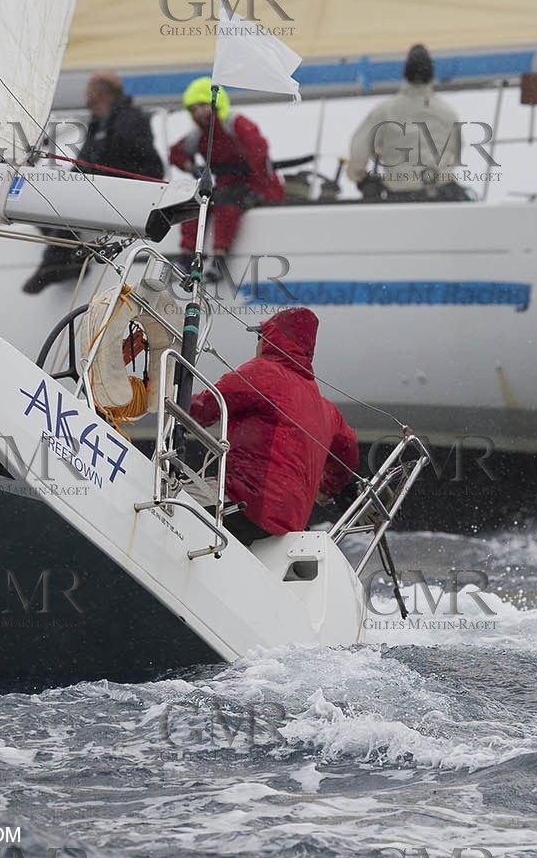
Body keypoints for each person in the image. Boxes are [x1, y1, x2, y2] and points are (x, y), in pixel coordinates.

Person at [188, 307, 359, 545]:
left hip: (245, 503)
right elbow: (348, 455)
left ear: (269, 339)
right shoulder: (328, 410)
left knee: (166, 497)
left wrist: (162, 390)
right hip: (288, 522)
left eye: (259, 336)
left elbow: (203, 409)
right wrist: (327, 488)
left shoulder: (262, 373)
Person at [23, 71, 165, 294]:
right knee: (43, 197)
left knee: (69, 200)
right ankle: (62, 255)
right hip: (100, 187)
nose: (86, 96)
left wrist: (101, 180)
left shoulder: (129, 120)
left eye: (88, 91)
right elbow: (85, 162)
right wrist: (63, 183)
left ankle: (58, 262)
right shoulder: (100, 122)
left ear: (98, 93)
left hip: (125, 191)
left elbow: (143, 162)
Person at [169, 77, 284, 282]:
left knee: (227, 204)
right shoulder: (198, 135)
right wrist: (193, 169)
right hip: (225, 184)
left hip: (252, 185)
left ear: (216, 103)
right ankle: (187, 255)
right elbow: (176, 154)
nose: (199, 113)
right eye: (193, 109)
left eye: (204, 105)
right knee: (195, 203)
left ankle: (219, 258)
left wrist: (261, 193)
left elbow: (259, 157)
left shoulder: (237, 124)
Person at [345, 43, 470, 201]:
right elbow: (457, 149)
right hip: (440, 193)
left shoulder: (384, 111)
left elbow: (358, 151)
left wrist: (360, 177)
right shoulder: (447, 112)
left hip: (400, 196)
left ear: (405, 73)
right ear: (431, 75)